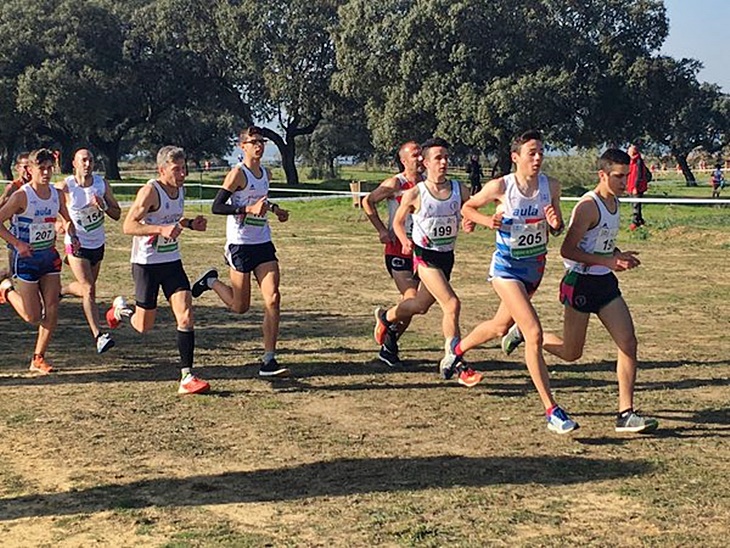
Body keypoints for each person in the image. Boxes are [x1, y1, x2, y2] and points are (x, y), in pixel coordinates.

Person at [510, 149, 657, 433]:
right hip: (580, 283)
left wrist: (617, 254)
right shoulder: (588, 206)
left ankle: (625, 413)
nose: (623, 182)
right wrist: (608, 261)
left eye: (626, 176)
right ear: (602, 175)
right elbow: (568, 250)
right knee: (571, 352)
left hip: (605, 284)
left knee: (628, 343)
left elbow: (599, 245)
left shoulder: (614, 202)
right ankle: (524, 334)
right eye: (618, 176)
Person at [455, 130, 578, 434]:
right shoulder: (501, 186)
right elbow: (467, 208)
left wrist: (555, 223)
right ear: (516, 157)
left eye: (541, 153)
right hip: (505, 270)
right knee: (533, 333)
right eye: (532, 153)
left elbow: (558, 227)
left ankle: (456, 353)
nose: (538, 159)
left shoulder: (551, 186)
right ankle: (552, 411)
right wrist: (488, 221)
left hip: (533, 271)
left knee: (499, 326)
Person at [373, 137, 483, 388]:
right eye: (438, 158)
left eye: (446, 157)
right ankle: (454, 360)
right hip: (424, 257)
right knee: (452, 303)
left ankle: (387, 318)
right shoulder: (415, 192)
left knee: (420, 305)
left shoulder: (459, 188)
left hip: (446, 257)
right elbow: (399, 221)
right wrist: (403, 240)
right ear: (426, 161)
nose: (444, 162)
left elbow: (469, 210)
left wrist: (470, 221)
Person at [106, 146, 210, 395]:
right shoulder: (150, 192)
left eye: (184, 168)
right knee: (144, 326)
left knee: (185, 315)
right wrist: (160, 230)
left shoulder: (181, 189)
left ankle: (187, 376)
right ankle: (120, 311)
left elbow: (173, 220)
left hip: (172, 261)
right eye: (177, 170)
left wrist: (190, 224)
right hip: (146, 264)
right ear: (161, 169)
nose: (182, 174)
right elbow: (128, 226)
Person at [191, 126, 290, 378]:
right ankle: (211, 281)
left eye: (262, 141)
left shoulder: (265, 173)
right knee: (240, 306)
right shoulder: (237, 174)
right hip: (240, 244)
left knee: (274, 298)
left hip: (263, 242)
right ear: (242, 146)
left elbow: (261, 201)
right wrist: (246, 210)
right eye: (253, 141)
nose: (259, 145)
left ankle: (269, 359)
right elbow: (216, 207)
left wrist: (275, 209)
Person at [0, 148, 76, 374]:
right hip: (26, 260)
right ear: (30, 170)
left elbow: (67, 219)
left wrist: (66, 228)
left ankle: (38, 357)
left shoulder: (57, 194)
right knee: (33, 316)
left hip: (49, 257)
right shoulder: (21, 196)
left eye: (49, 168)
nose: (46, 173)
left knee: (52, 308)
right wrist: (18, 243)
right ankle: (6, 290)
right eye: (41, 168)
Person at [363, 141, 424, 366]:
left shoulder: (428, 185)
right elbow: (367, 201)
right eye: (415, 155)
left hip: (422, 249)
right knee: (412, 297)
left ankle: (389, 342)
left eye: (421, 155)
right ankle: (386, 321)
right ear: (404, 160)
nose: (419, 159)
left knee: (417, 305)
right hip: (397, 249)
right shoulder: (395, 183)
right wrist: (381, 229)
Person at [56, 149, 122, 353]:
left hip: (97, 243)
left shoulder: (102, 185)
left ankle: (62, 291)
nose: (88, 163)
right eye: (83, 160)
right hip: (76, 243)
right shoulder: (66, 187)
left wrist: (103, 205)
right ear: (74, 163)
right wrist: (63, 224)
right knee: (89, 289)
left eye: (91, 160)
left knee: (88, 288)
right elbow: (54, 206)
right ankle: (99, 335)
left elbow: (117, 214)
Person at [0, 153, 32, 276]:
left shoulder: (39, 186)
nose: (27, 171)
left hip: (36, 238)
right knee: (15, 273)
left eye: (29, 167)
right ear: (17, 168)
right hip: (17, 236)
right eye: (24, 167)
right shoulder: (13, 187)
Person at [626, 143, 650, 230]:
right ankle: (640, 220)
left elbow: (638, 175)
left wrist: (635, 187)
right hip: (630, 185)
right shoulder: (630, 161)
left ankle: (635, 222)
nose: (628, 152)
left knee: (636, 204)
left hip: (636, 187)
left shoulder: (638, 161)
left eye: (629, 150)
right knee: (634, 204)